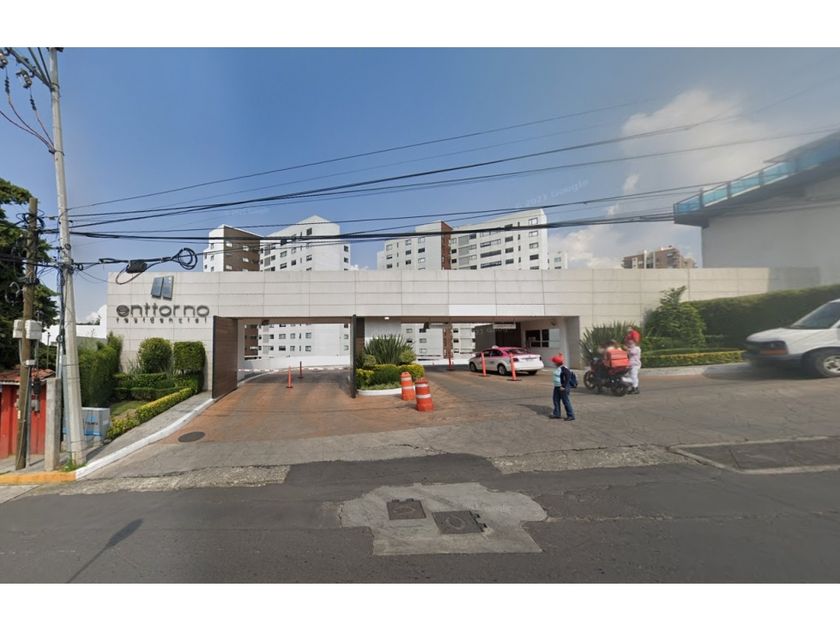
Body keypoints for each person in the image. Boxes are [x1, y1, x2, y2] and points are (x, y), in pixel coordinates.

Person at [550, 354, 575, 421]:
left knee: (565, 401)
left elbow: (568, 377)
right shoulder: (558, 368)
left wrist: (563, 386)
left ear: (557, 362)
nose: (553, 363)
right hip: (557, 387)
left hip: (563, 387)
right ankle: (557, 413)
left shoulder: (564, 368)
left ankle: (571, 415)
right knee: (555, 400)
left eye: (554, 362)